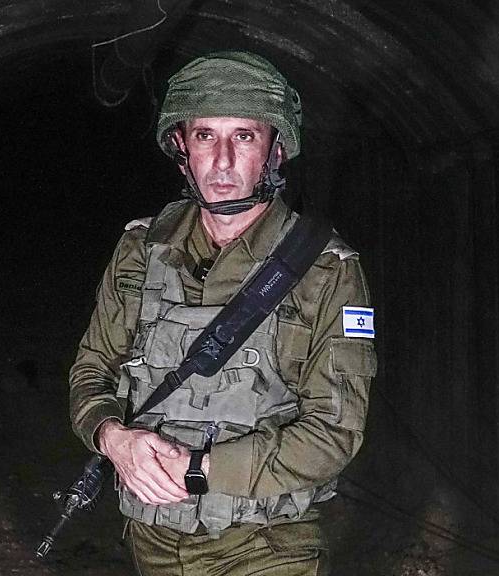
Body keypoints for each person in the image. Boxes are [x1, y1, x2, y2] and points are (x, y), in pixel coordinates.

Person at [68, 51, 376, 575]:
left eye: (245, 136)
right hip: (154, 539)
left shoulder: (326, 271)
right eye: (206, 135)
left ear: (274, 152)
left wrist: (197, 470)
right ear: (181, 147)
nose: (224, 160)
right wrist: (112, 438)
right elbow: (91, 373)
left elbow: (333, 434)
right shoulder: (141, 250)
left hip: (267, 546)